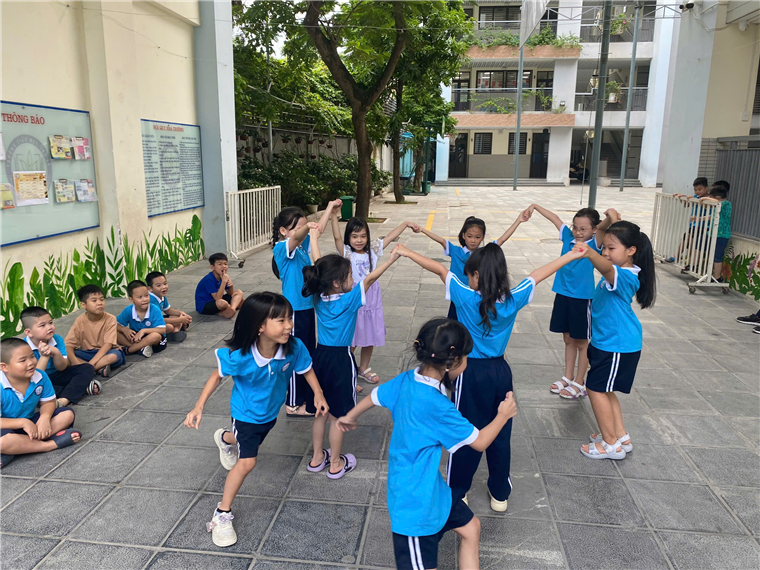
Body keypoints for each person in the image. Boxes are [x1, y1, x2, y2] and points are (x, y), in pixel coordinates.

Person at [395, 242, 584, 511]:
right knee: (501, 432)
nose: (468, 280)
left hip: (469, 373)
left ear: (476, 275)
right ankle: (499, 494)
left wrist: (407, 252)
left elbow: (439, 268)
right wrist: (571, 255)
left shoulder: (465, 296)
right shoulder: (513, 299)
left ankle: (458, 491)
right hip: (500, 372)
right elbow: (539, 274)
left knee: (465, 432)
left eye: (470, 275)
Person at [336, 319, 517, 570]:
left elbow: (375, 396)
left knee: (471, 528)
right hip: (414, 505)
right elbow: (480, 442)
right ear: (453, 361)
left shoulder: (408, 379)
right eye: (467, 356)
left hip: (433, 492)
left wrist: (351, 416)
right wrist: (503, 415)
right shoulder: (437, 406)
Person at [184, 292, 328, 547]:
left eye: (289, 318)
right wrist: (198, 406)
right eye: (281, 320)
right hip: (245, 413)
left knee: (249, 443)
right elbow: (217, 375)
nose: (289, 325)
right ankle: (222, 514)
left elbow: (306, 369)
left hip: (269, 413)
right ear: (260, 326)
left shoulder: (294, 347)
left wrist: (318, 394)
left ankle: (224, 438)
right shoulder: (241, 356)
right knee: (247, 461)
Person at [301, 242, 400, 479]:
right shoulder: (350, 300)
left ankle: (317, 458)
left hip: (319, 358)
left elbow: (319, 265)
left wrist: (314, 238)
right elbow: (371, 278)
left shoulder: (317, 298)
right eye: (349, 276)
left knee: (320, 413)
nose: (353, 280)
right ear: (337, 282)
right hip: (341, 360)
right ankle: (335, 463)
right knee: (338, 416)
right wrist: (391, 260)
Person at [578, 220, 656, 460]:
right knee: (605, 389)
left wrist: (589, 252)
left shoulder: (624, 275)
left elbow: (604, 267)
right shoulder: (620, 271)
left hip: (617, 345)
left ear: (631, 250)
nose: (605, 252)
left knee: (595, 389)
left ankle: (610, 444)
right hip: (609, 343)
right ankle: (620, 436)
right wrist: (609, 219)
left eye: (611, 248)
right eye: (603, 247)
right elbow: (604, 253)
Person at [525, 205, 618, 398]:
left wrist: (611, 216)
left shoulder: (594, 244)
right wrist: (535, 206)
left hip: (582, 299)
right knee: (567, 339)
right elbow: (554, 217)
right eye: (575, 227)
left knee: (581, 342)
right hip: (562, 294)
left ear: (593, 229)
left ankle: (580, 381)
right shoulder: (568, 237)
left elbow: (603, 227)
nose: (578, 232)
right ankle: (568, 377)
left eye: (583, 229)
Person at [272, 201, 341, 416]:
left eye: (302, 226)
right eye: (296, 227)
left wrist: (329, 208)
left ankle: (305, 396)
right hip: (292, 313)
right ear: (283, 231)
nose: (301, 231)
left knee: (307, 353)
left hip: (307, 310)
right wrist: (307, 226)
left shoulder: (301, 248)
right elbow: (300, 235)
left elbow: (316, 231)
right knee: (294, 354)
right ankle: (293, 404)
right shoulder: (282, 248)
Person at [330, 214, 414, 385]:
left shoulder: (373, 251)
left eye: (363, 236)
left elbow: (389, 237)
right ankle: (347, 370)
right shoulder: (346, 253)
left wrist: (405, 224)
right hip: (355, 299)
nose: (359, 240)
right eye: (354, 236)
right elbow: (337, 237)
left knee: (369, 336)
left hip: (372, 300)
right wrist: (333, 215)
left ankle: (363, 368)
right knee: (352, 338)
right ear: (348, 238)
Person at [410, 214, 528, 320]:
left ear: (483, 237)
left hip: (478, 298)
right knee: (453, 324)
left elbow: (502, 239)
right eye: (470, 236)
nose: (473, 240)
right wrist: (422, 230)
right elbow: (441, 240)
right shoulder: (455, 251)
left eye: (477, 237)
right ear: (464, 236)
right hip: (459, 297)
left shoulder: (484, 253)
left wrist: (518, 220)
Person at [0, 338, 82, 470]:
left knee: (67, 414)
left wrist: (44, 418)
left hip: (32, 423)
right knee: (2, 442)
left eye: (32, 356)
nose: (31, 363)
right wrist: (22, 423)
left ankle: (16, 449)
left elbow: (48, 402)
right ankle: (49, 445)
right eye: (23, 360)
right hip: (6, 427)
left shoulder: (40, 376)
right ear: (4, 367)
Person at [21, 306, 99, 408]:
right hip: (37, 380)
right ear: (29, 332)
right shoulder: (23, 348)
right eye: (42, 325)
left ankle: (63, 400)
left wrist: (55, 352)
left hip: (57, 374)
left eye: (50, 323)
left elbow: (62, 367)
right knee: (34, 391)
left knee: (87, 368)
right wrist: (45, 356)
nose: (49, 327)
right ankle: (79, 389)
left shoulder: (57, 339)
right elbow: (35, 376)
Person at [64, 285, 126, 377]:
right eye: (94, 300)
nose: (99, 303)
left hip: (106, 352)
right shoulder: (79, 320)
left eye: (101, 299)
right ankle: (99, 368)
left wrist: (90, 365)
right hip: (87, 353)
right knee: (65, 358)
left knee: (115, 356)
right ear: (83, 305)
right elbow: (68, 345)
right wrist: (75, 362)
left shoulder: (110, 319)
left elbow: (108, 345)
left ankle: (87, 369)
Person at [116, 280, 168, 358]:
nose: (144, 299)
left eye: (146, 295)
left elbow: (162, 330)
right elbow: (114, 324)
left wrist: (143, 331)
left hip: (154, 340)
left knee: (155, 336)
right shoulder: (128, 310)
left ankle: (129, 350)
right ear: (131, 299)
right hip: (136, 338)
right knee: (113, 332)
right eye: (140, 297)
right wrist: (124, 329)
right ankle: (140, 348)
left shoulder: (154, 309)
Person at [194, 253, 245, 319]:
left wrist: (230, 285)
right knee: (222, 303)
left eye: (225, 264)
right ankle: (222, 312)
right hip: (204, 305)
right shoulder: (209, 279)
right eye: (220, 264)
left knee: (239, 293)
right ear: (212, 267)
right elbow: (218, 298)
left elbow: (230, 293)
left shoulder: (223, 276)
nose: (223, 266)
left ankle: (231, 309)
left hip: (216, 300)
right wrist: (223, 282)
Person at [146, 271, 192, 342]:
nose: (163, 287)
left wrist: (181, 314)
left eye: (165, 283)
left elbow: (168, 310)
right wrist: (180, 320)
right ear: (150, 289)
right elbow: (160, 320)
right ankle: (175, 333)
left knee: (176, 316)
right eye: (158, 285)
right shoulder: (151, 300)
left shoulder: (160, 295)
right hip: (149, 324)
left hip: (158, 321)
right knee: (170, 327)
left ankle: (175, 333)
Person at [700, 185, 732, 281]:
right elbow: (712, 216)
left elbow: (718, 203)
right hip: (712, 233)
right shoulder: (717, 205)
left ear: (717, 197)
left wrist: (705, 198)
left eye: (711, 197)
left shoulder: (726, 204)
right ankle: (711, 274)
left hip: (722, 235)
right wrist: (699, 219)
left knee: (717, 255)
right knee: (708, 251)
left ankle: (717, 277)